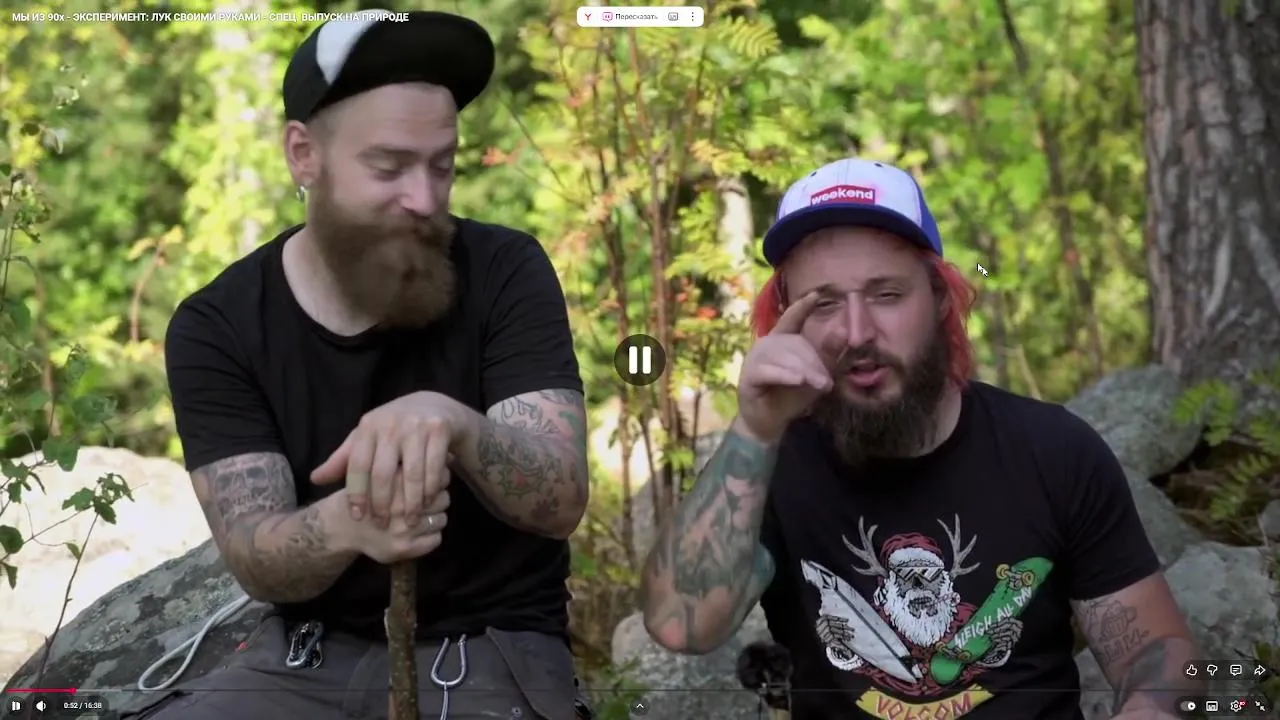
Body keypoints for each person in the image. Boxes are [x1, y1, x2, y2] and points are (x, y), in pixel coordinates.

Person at [132, 11, 589, 720]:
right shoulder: (217, 326)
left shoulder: (505, 269)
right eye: (388, 167)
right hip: (303, 660)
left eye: (443, 165)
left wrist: (453, 424)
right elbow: (256, 556)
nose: (425, 199)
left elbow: (561, 499)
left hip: (489, 653)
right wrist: (354, 520)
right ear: (303, 154)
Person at [640, 157, 1205, 719]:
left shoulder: (1052, 450)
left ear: (939, 298)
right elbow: (679, 626)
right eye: (825, 303)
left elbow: (1156, 649)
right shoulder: (767, 466)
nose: (857, 333)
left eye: (886, 294)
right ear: (789, 318)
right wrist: (755, 429)